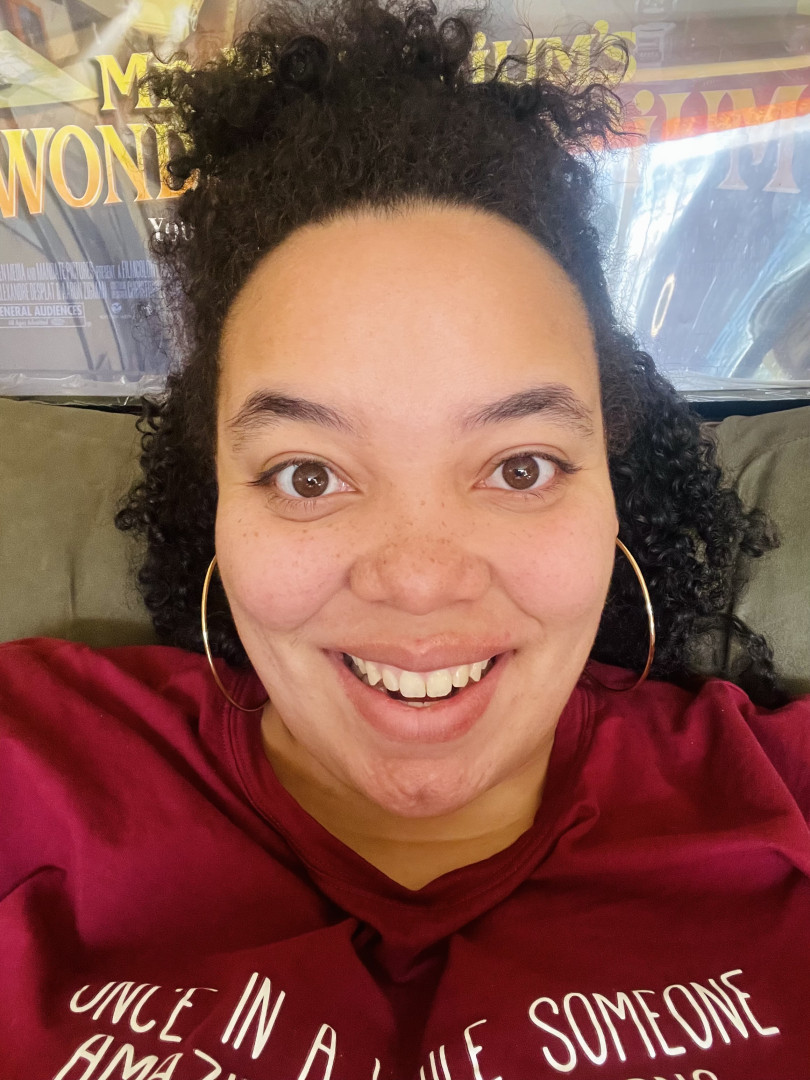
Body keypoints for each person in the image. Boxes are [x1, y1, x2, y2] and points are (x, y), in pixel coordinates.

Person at [1, 2, 808, 1077]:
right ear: (217, 500)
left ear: (613, 487)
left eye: (521, 467)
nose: (421, 582)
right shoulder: (31, 769)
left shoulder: (781, 803)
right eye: (308, 476)